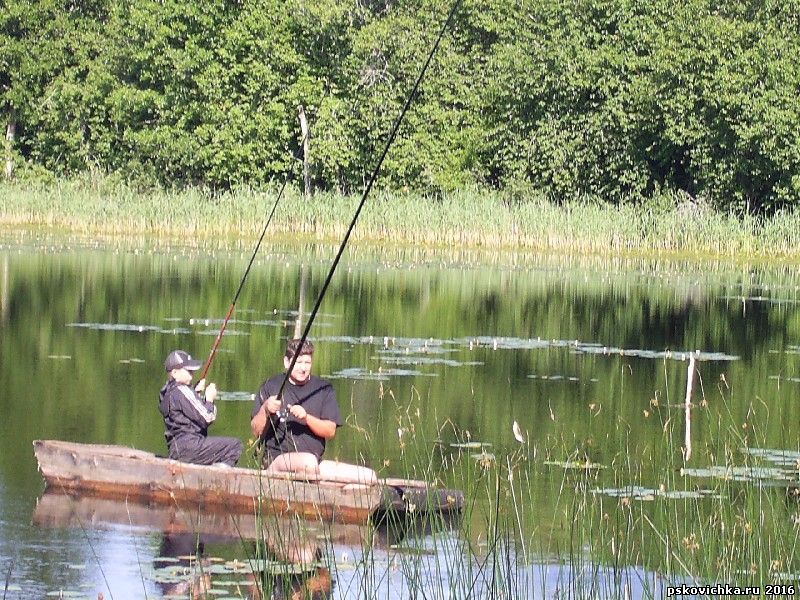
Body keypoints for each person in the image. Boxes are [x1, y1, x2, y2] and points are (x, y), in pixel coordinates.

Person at [251, 339, 377, 484]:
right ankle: (320, 488)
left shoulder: (323, 389)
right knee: (307, 463)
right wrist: (265, 409)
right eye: (298, 362)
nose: (303, 368)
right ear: (287, 362)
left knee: (369, 478)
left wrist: (307, 419)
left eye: (307, 363)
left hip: (316, 464)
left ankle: (330, 497)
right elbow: (256, 431)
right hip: (277, 462)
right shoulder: (271, 386)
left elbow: (330, 431)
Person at [159, 349, 243, 466]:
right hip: (190, 447)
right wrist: (209, 399)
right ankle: (219, 478)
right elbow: (207, 418)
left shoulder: (167, 392)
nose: (192, 373)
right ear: (174, 373)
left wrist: (195, 393)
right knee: (235, 446)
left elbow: (186, 413)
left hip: (176, 448)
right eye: (188, 370)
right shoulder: (182, 390)